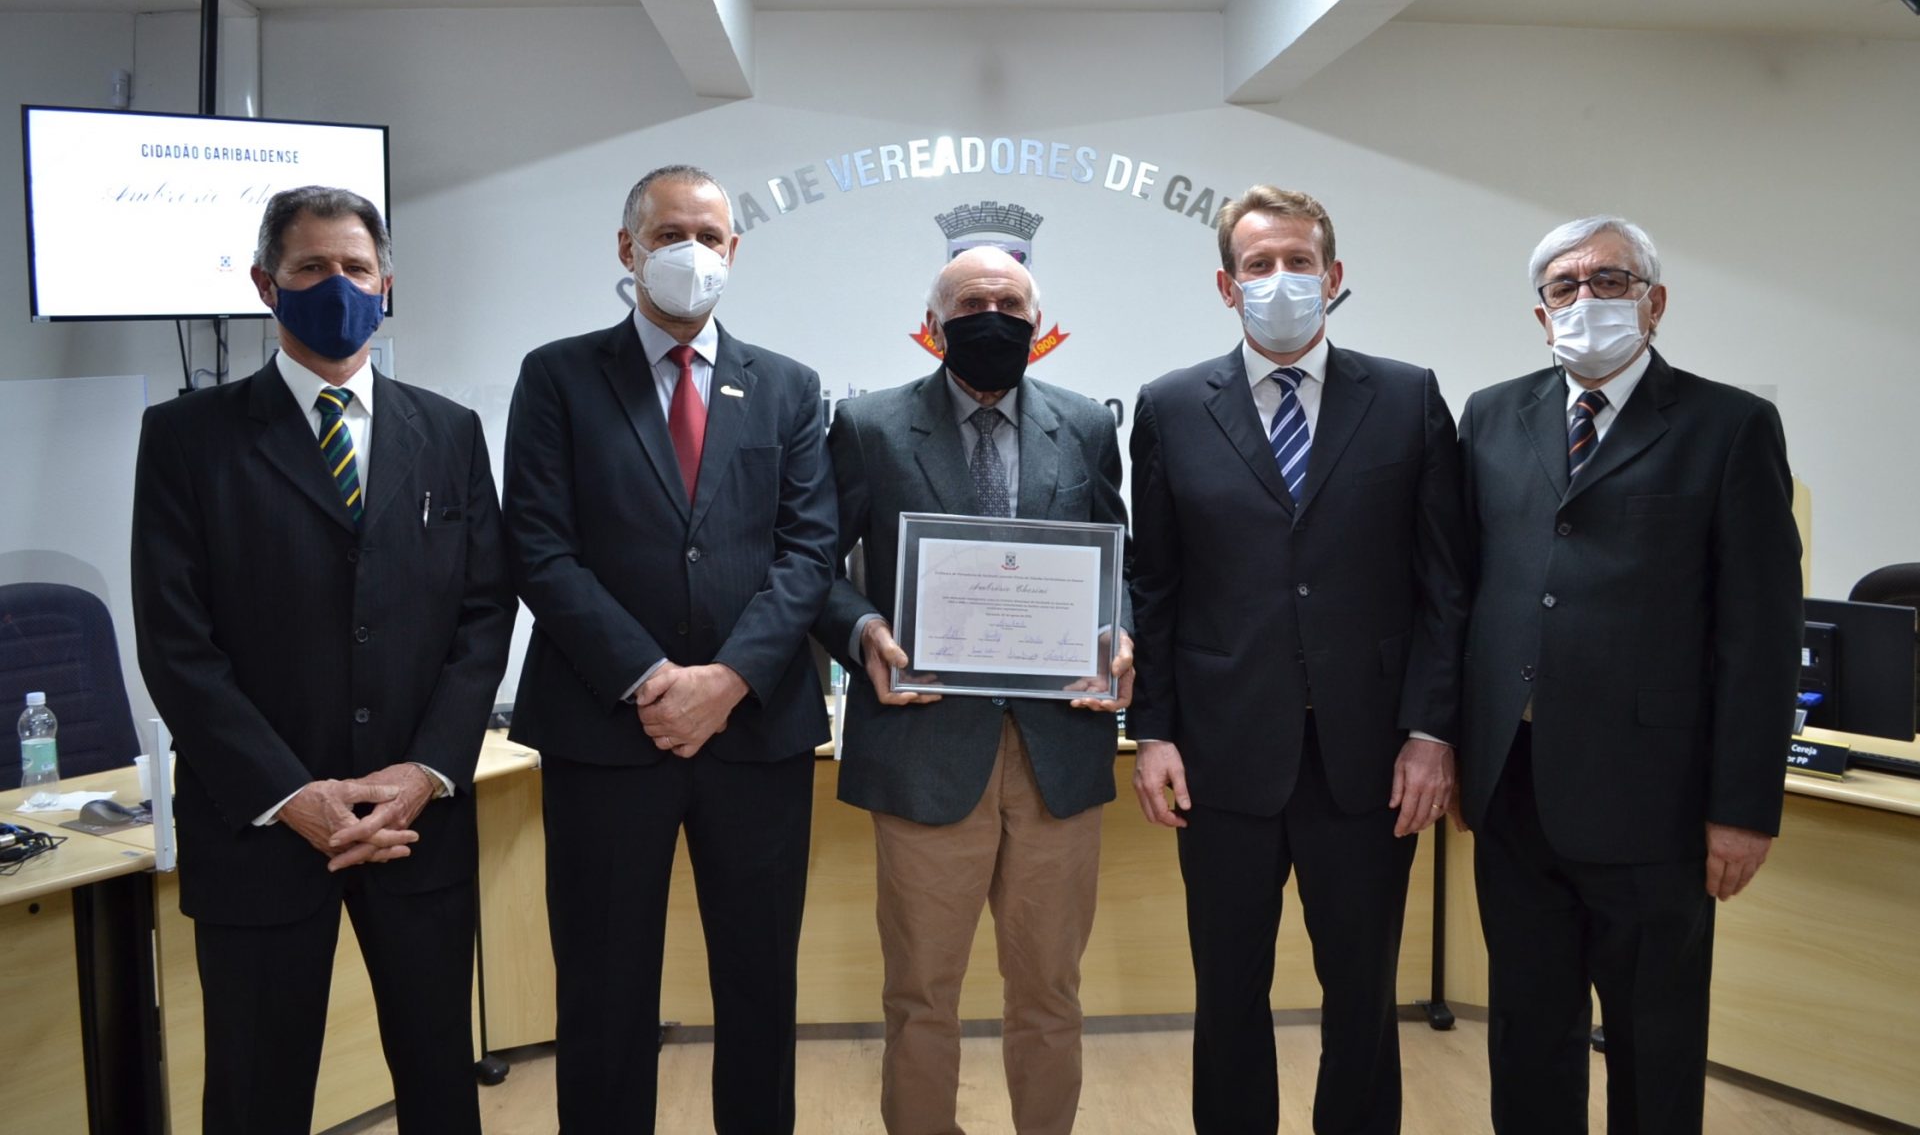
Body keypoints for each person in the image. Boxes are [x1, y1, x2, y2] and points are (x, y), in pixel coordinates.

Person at [131, 185, 516, 1135]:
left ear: (386, 285)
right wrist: (289, 793)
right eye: (310, 268)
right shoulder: (187, 438)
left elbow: (482, 616)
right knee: (256, 1097)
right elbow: (176, 644)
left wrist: (425, 773)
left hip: (412, 825)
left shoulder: (450, 431)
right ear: (265, 285)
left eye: (354, 267)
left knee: (440, 1085)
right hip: (260, 828)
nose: (336, 285)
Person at [1128, 185, 1469, 1134]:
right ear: (1227, 286)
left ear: (1334, 275)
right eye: (1259, 265)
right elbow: (1155, 585)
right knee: (1226, 989)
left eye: (1299, 262)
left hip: (1369, 759)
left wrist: (1432, 731)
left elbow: (1445, 586)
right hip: (1221, 756)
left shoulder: (1407, 397)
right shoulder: (1169, 407)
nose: (1280, 280)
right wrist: (1151, 731)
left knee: (1363, 993)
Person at [503, 164, 836, 1134]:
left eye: (710, 236)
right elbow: (539, 547)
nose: (692, 251)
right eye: (669, 234)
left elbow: (809, 552)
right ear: (628, 248)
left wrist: (726, 680)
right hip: (607, 731)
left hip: (755, 731)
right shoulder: (558, 376)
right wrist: (652, 679)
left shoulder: (788, 386)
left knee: (760, 985)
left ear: (736, 250)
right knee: (603, 990)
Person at [1453, 215, 1801, 1133]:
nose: (1587, 299)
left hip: (1657, 802)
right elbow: (1467, 594)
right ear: (1540, 314)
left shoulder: (1730, 426)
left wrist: (1745, 806)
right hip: (1515, 789)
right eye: (1564, 287)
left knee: (1655, 1041)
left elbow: (1761, 635)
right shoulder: (1490, 416)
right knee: (1527, 1033)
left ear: (1655, 301)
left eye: (1610, 280)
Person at [815, 246, 1133, 1135]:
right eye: (968, 304)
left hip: (1056, 750)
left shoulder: (1086, 424)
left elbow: (1118, 560)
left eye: (1009, 303)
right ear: (933, 324)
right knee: (921, 994)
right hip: (923, 747)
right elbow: (815, 567)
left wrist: (1120, 631)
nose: (990, 316)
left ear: (1036, 322)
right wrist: (864, 632)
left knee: (1051, 992)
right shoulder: (868, 425)